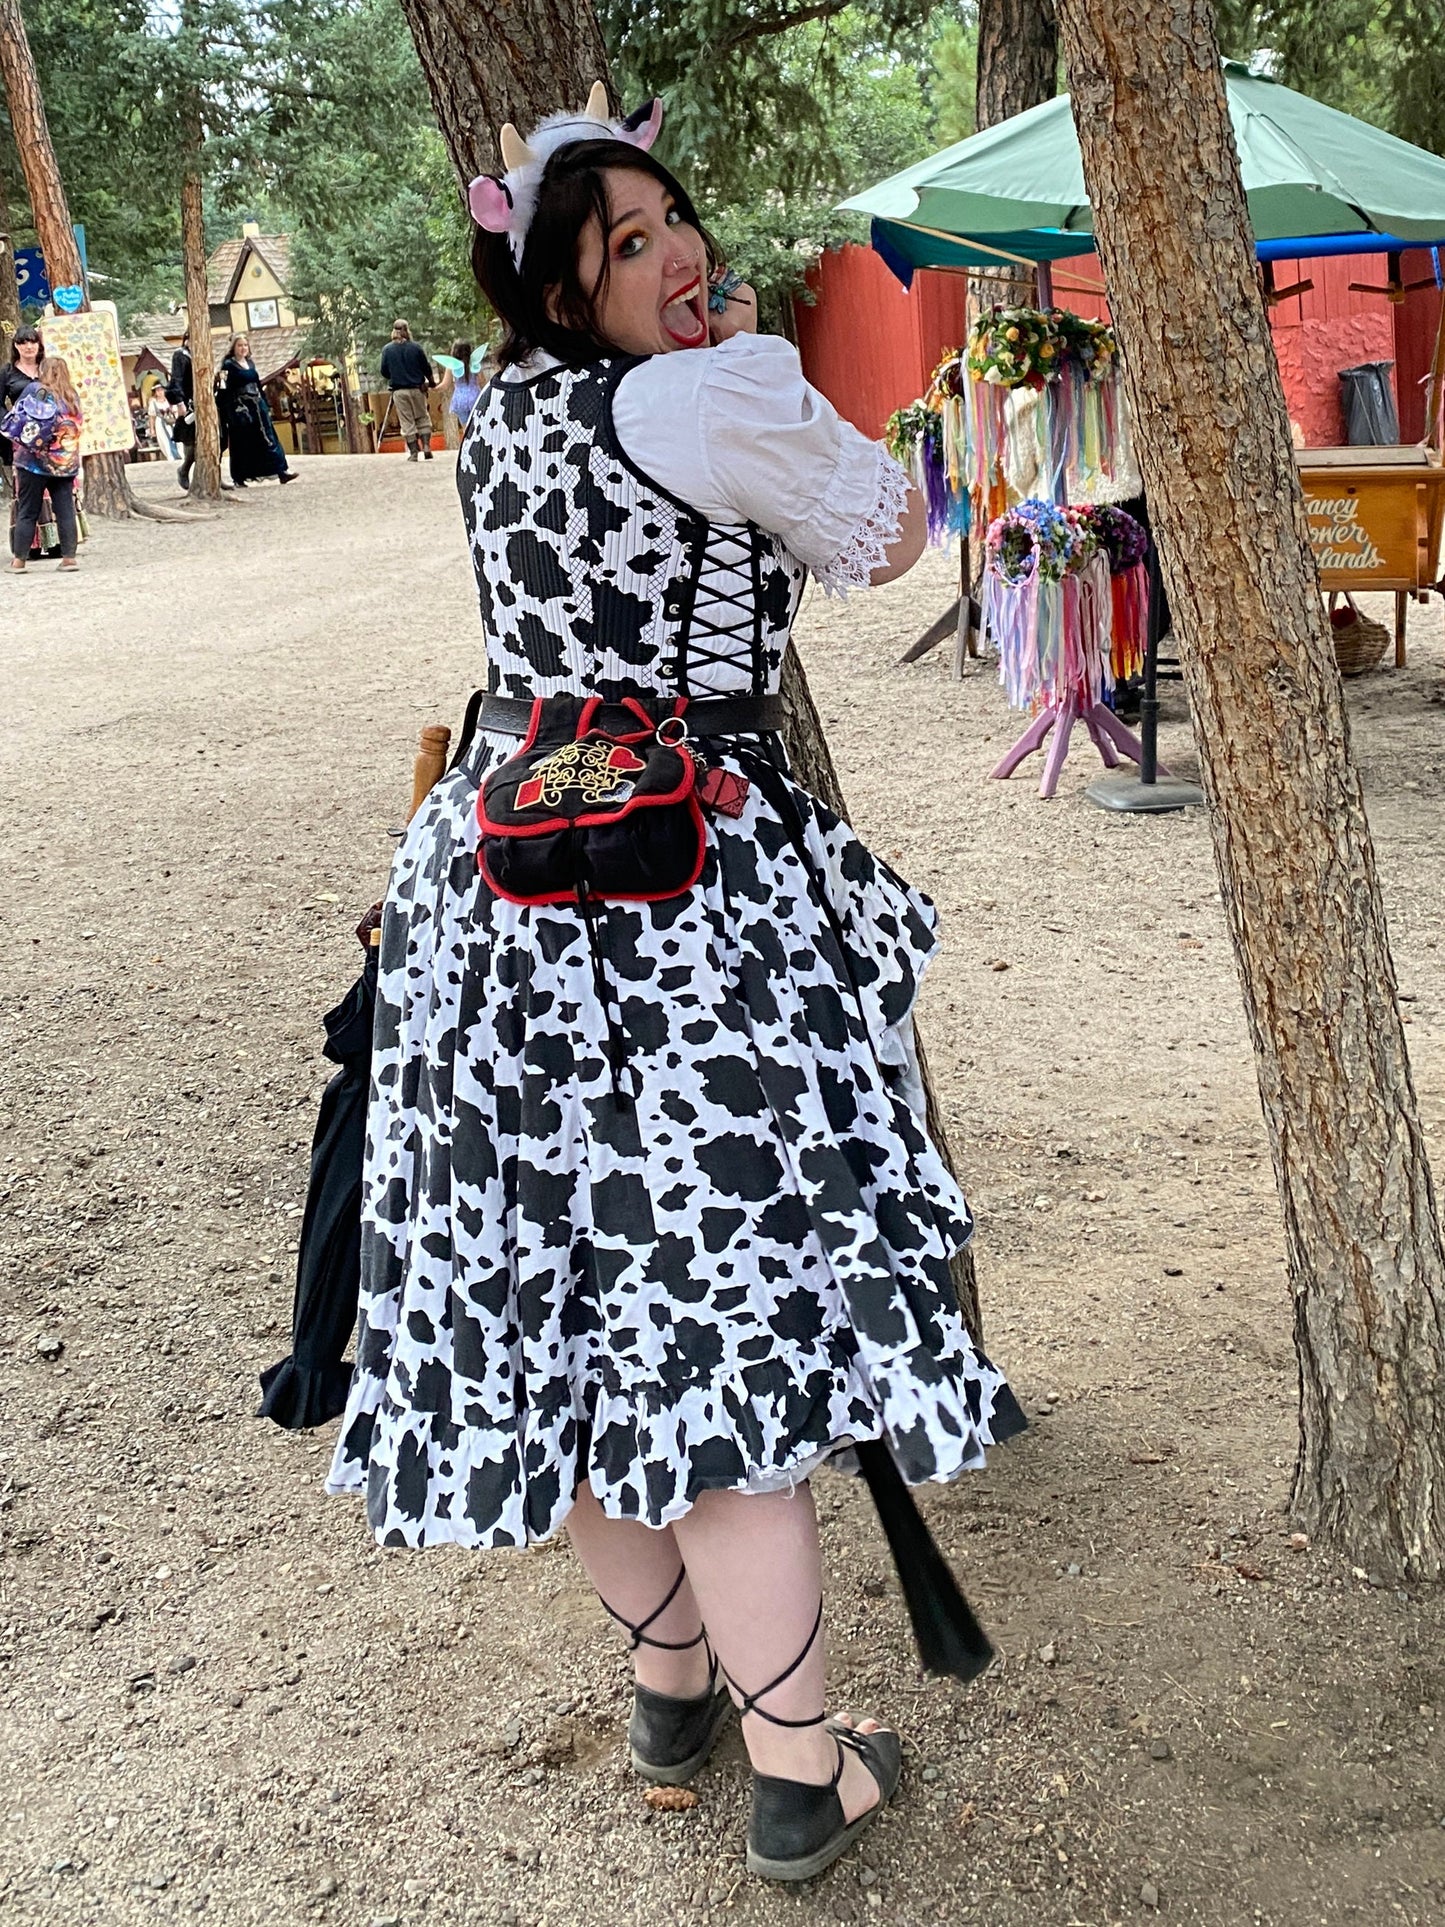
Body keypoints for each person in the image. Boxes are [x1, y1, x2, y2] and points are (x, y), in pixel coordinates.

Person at [325, 91, 1021, 1884]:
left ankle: (670, 1690)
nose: (674, 254)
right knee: (713, 1331)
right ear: (566, 294)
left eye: (672, 222)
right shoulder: (700, 394)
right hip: (675, 901)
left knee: (565, 1306)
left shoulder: (505, 419)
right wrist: (765, 378)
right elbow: (885, 537)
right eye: (624, 245)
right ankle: (802, 1769)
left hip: (495, 880)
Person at [3, 353, 83, 573]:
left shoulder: (35, 391)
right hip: (64, 464)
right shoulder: (72, 397)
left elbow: (18, 418)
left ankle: (19, 561)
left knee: (28, 510)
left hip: (33, 462)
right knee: (65, 509)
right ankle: (69, 559)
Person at [217, 335, 295, 487]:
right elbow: (222, 385)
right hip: (240, 408)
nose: (243, 348)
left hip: (257, 407)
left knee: (269, 438)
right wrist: (227, 408)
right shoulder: (227, 365)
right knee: (242, 443)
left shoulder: (250, 363)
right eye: (240, 345)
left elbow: (258, 385)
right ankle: (239, 477)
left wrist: (265, 403)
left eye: (245, 345)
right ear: (234, 347)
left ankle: (282, 471)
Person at [379, 318, 436, 460]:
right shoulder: (416, 348)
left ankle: (414, 453)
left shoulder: (387, 350)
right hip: (418, 389)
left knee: (407, 421)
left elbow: (384, 372)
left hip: (399, 391)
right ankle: (427, 446)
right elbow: (426, 367)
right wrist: (432, 382)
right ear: (406, 330)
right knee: (422, 417)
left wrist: (395, 373)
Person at [166, 336, 197, 490]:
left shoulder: (201, 354)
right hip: (188, 402)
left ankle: (214, 476)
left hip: (203, 401)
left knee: (217, 439)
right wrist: (179, 402)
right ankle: (184, 469)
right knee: (191, 441)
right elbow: (176, 380)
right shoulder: (181, 355)